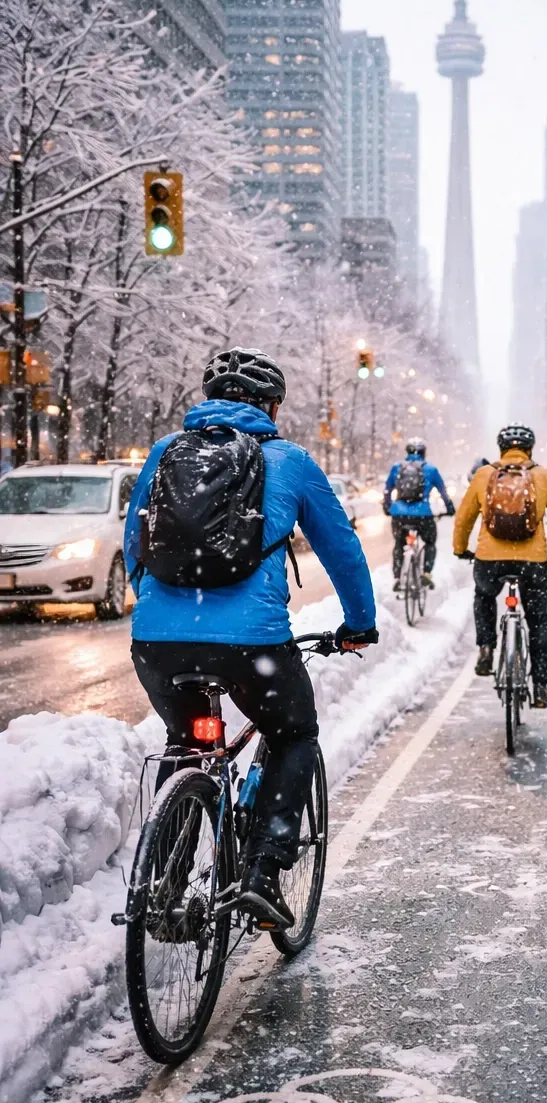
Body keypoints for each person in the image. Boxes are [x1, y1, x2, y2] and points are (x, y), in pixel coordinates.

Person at [125, 347, 378, 931]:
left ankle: (164, 879)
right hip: (252, 645)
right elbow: (342, 549)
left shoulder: (165, 453)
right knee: (293, 734)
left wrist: (157, 603)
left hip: (158, 642)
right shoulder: (288, 461)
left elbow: (134, 540)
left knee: (187, 739)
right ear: (271, 406)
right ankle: (264, 873)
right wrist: (360, 622)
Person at [452, 424, 547, 708]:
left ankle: (486, 648)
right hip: (532, 561)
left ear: (501, 449)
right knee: (538, 620)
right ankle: (542, 686)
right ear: (530, 449)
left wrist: (461, 549)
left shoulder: (484, 475)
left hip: (489, 559)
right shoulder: (543, 475)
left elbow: (464, 518)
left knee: (484, 596)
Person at [383, 438, 456, 591]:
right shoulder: (431, 470)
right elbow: (443, 492)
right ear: (424, 453)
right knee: (430, 543)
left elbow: (387, 490)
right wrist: (449, 508)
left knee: (399, 544)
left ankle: (397, 577)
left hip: (399, 514)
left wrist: (388, 506)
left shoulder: (397, 467)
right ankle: (426, 574)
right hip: (422, 515)